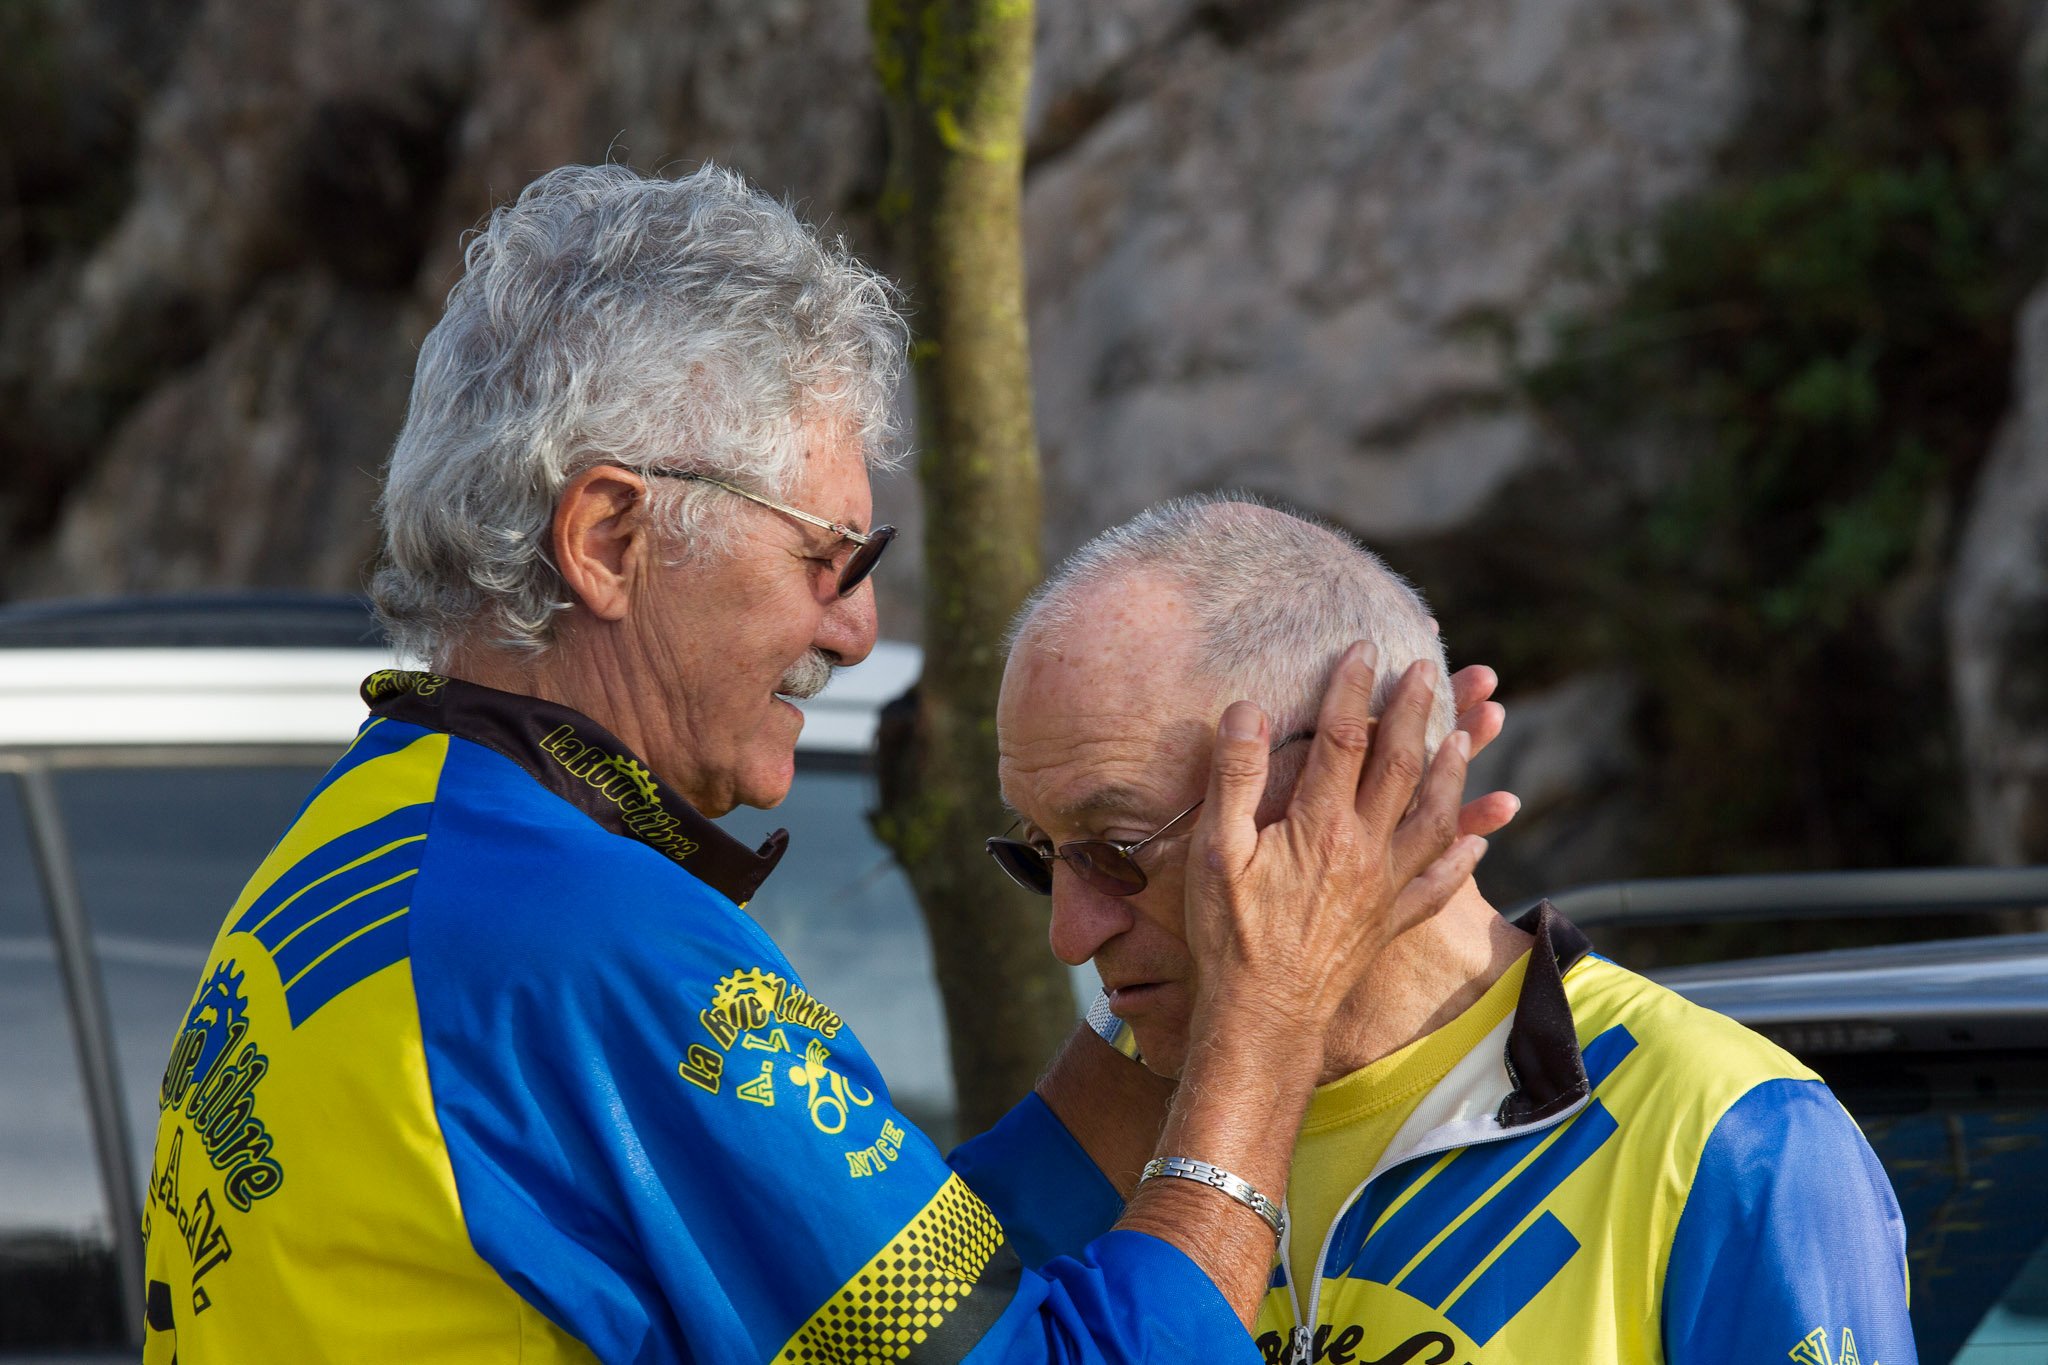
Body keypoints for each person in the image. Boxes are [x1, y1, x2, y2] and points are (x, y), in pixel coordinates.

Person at [141, 164, 1504, 1364]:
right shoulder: (585, 942)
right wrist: (1264, 1017)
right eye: (829, 558)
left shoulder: (368, 846)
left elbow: (864, 1301)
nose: (853, 628)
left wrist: (1167, 984)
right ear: (609, 539)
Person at [993, 495, 1918, 1365]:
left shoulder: (1730, 1133)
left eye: (1116, 848)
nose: (1069, 935)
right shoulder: (1094, 1142)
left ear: (1355, 775)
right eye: (1041, 853)